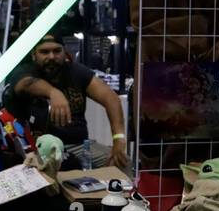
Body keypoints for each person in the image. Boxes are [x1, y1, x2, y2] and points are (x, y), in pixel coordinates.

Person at [8, 33, 129, 169]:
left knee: (123, 164)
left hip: (78, 146)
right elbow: (24, 84)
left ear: (65, 52)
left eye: (57, 51)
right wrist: (53, 92)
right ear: (34, 54)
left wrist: (119, 138)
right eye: (44, 52)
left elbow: (110, 98)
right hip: (39, 149)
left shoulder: (76, 71)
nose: (51, 57)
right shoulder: (24, 71)